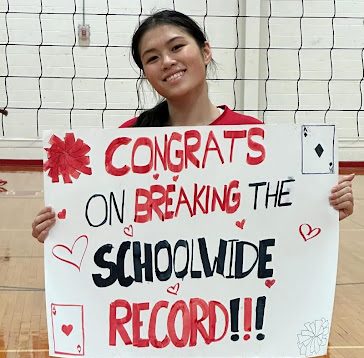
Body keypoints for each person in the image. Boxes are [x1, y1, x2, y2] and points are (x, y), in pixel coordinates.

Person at [31, 9, 355, 242]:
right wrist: (58, 230)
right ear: (145, 71)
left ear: (205, 50)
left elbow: (272, 221)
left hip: (226, 298)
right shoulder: (127, 141)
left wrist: (323, 209)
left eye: (176, 47)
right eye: (152, 57)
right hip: (152, 297)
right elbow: (105, 223)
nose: (167, 61)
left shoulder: (251, 135)